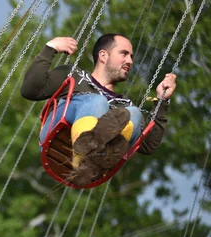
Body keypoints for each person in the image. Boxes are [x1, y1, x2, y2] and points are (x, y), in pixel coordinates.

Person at [21, 33, 177, 185]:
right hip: (58, 130)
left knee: (133, 113)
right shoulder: (75, 75)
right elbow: (30, 90)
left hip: (96, 161)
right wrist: (50, 48)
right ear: (103, 55)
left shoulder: (123, 103)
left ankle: (98, 156)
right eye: (124, 54)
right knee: (98, 101)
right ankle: (84, 155)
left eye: (131, 56)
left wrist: (162, 101)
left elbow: (148, 145)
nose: (129, 61)